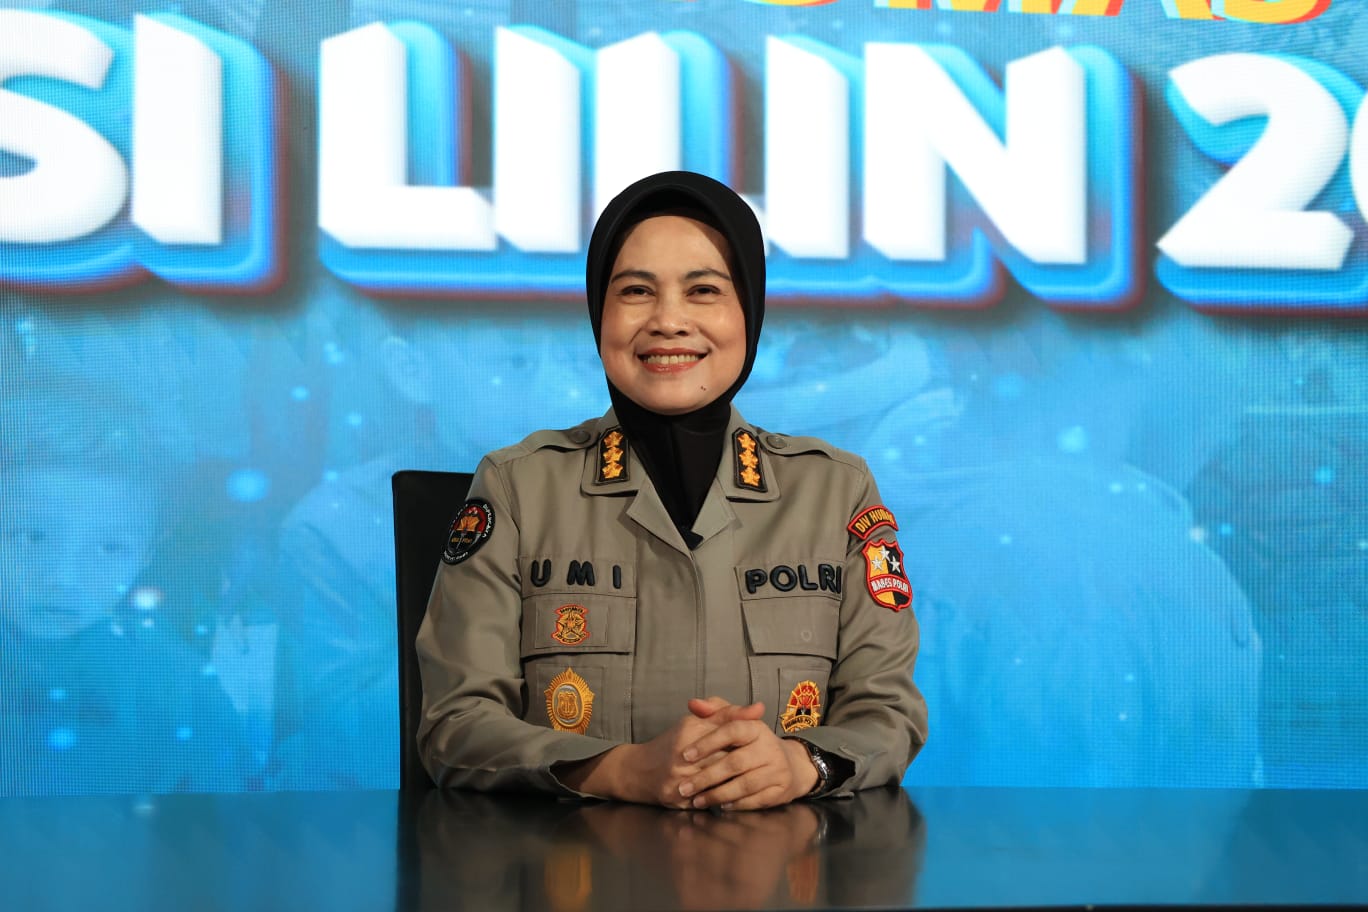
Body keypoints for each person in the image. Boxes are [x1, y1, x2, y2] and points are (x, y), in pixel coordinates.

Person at [416, 170, 927, 809]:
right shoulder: (517, 487)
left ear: (750, 312)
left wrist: (802, 764)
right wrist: (619, 771)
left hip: (784, 863)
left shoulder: (836, 492)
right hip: (570, 862)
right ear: (599, 314)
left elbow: (887, 711)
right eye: (636, 291)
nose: (668, 321)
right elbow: (455, 725)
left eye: (704, 290)